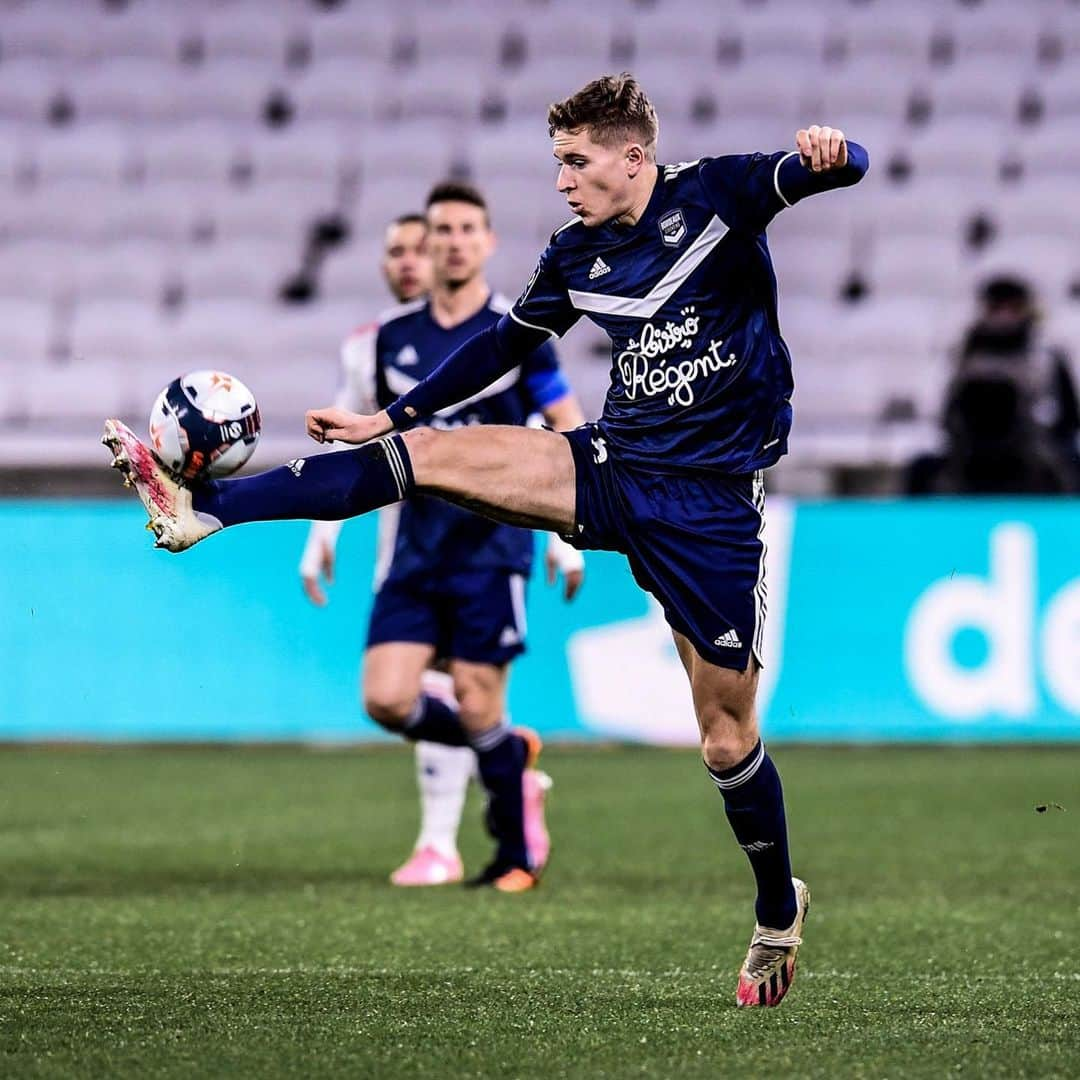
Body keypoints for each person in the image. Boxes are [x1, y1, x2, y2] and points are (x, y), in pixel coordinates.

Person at [103, 73, 869, 1005]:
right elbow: (506, 343)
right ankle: (206, 513)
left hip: (712, 508)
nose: (562, 181)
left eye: (576, 162)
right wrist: (393, 412)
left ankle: (775, 911)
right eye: (558, 163)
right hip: (615, 467)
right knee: (423, 454)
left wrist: (834, 152)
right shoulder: (577, 253)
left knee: (723, 739)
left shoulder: (718, 192)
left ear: (634, 158)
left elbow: (839, 167)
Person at [300, 187, 585, 888]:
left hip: (493, 548)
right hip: (415, 549)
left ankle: (514, 859)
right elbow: (358, 443)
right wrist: (323, 531)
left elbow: (566, 426)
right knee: (388, 700)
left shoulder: (517, 332)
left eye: (467, 230)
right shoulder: (390, 339)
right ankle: (507, 757)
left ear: (488, 242)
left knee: (479, 695)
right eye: (441, 231)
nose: (453, 242)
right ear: (426, 245)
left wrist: (568, 531)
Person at [905, 275, 1080, 495]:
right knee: (920, 469)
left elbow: (1069, 418)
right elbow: (948, 414)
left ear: (1026, 310)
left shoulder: (1046, 356)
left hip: (1032, 449)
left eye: (1013, 307)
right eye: (997, 307)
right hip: (970, 452)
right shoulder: (963, 355)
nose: (1004, 316)